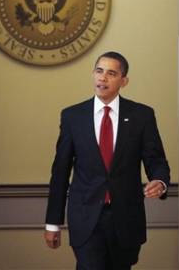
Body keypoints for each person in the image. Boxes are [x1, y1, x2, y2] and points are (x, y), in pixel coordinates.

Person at [44, 51, 170, 270]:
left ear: (124, 81)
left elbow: (156, 159)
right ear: (93, 74)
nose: (103, 78)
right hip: (85, 217)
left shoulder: (142, 115)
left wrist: (159, 181)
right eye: (99, 71)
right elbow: (60, 172)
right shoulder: (73, 116)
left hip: (126, 218)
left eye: (111, 73)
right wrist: (53, 222)